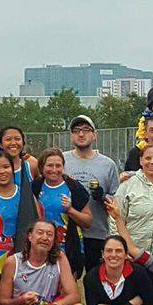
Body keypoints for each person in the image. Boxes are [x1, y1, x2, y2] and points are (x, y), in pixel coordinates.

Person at [63, 115, 121, 268]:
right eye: (76, 131)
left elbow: (117, 200)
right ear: (71, 136)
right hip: (66, 233)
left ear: (95, 135)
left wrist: (103, 196)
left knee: (95, 281)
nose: (81, 134)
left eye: (86, 130)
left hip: (97, 233)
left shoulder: (107, 164)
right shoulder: (62, 161)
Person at [30, 148, 93, 274]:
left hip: (68, 248)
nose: (54, 170)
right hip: (42, 247)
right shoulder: (35, 186)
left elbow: (88, 221)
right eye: (50, 165)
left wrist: (70, 210)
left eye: (58, 166)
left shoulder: (73, 187)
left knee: (66, 289)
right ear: (42, 167)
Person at [0, 151, 37, 283]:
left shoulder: (25, 195)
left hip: (20, 264)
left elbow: (37, 225)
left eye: (6, 167)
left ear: (12, 168)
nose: (2, 171)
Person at [112, 144, 153, 257]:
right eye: (148, 158)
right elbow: (115, 220)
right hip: (133, 255)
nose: (152, 162)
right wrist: (120, 249)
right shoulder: (128, 185)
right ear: (141, 160)